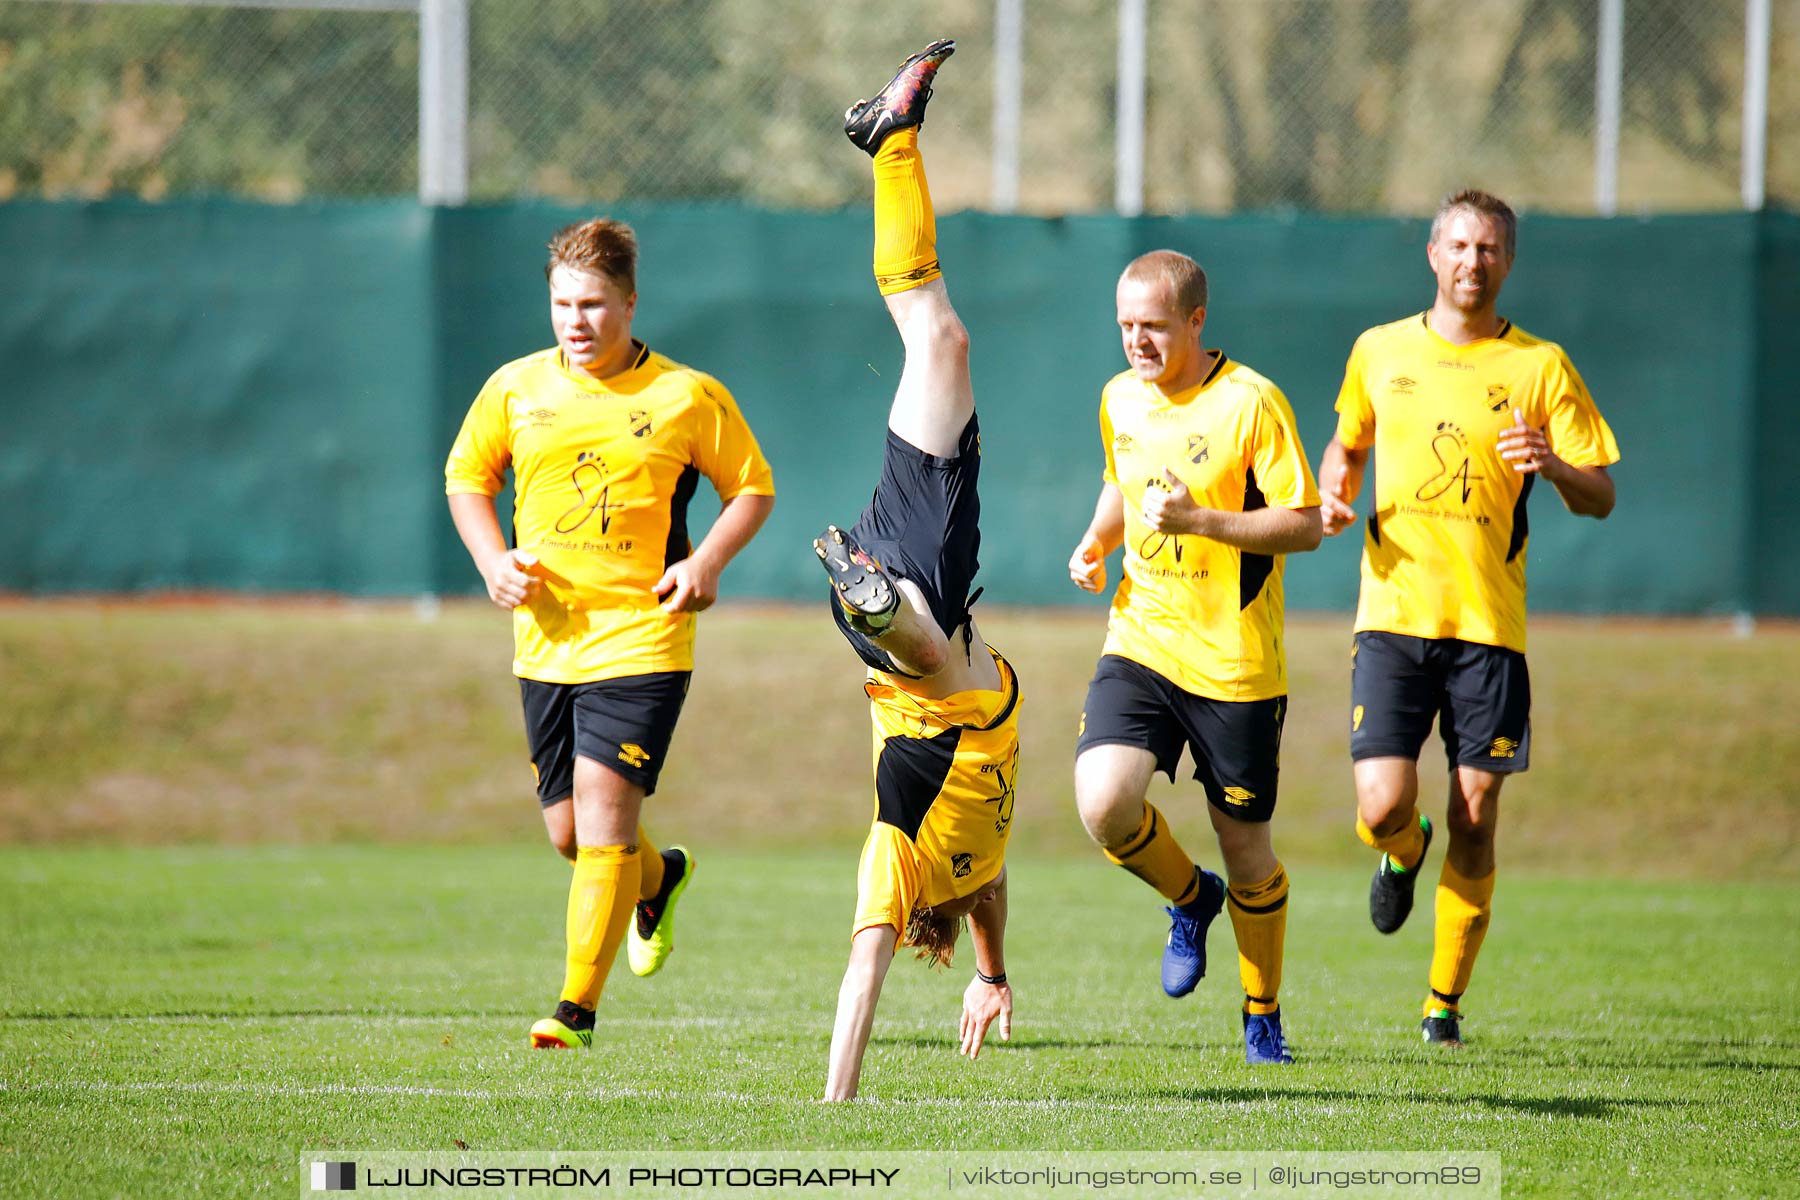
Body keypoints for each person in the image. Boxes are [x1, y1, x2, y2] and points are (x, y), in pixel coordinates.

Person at [445, 217, 775, 1049]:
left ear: (630, 302)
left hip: (644, 638)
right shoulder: (516, 387)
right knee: (570, 834)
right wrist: (492, 560)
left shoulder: (684, 396)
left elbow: (752, 488)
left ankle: (574, 1011)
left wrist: (707, 566)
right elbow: (466, 476)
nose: (575, 321)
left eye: (592, 304)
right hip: (546, 641)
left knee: (600, 813)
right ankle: (659, 879)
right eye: (562, 304)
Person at [1316, 189, 1618, 1047]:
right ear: (1432, 252)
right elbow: (1349, 442)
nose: (1472, 261)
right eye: (1458, 244)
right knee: (1381, 806)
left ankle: (1441, 1005)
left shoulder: (1540, 366)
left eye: (1488, 248)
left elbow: (1600, 495)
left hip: (1490, 628)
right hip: (1393, 614)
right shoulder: (1379, 350)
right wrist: (1339, 477)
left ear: (1507, 261)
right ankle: (1401, 850)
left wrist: (1555, 464)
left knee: (1477, 814)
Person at [812, 39, 1019, 1102]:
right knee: (936, 341)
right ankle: (885, 140)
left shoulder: (908, 857)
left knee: (937, 340)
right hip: (932, 571)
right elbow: (987, 900)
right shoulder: (975, 871)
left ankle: (876, 604)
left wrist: (834, 1111)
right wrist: (991, 976)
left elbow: (861, 975)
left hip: (917, 623)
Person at [1067, 250, 1323, 1066]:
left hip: (1236, 665)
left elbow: (1306, 523)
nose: (1136, 342)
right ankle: (1188, 896)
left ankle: (1262, 1014)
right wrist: (1096, 540)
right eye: (1125, 327)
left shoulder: (1252, 403)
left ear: (1197, 322)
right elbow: (1123, 480)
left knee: (1245, 846)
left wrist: (1203, 522)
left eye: (1154, 327)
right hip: (1141, 637)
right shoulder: (1118, 397)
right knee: (1103, 805)